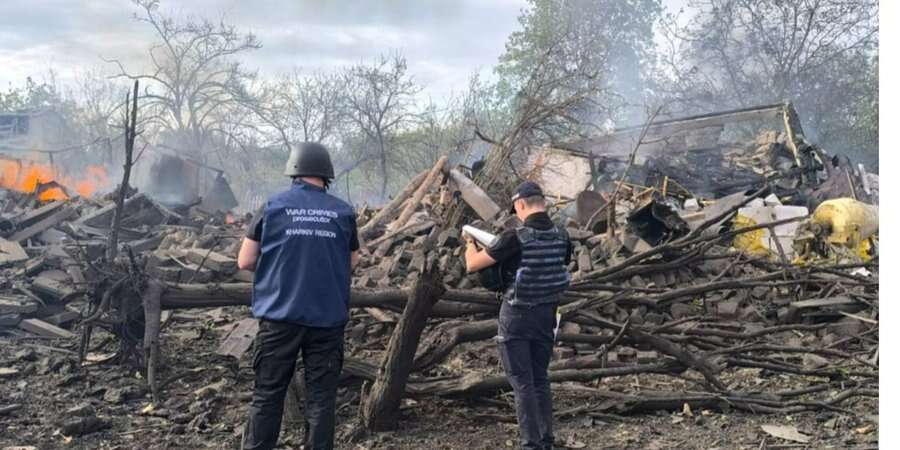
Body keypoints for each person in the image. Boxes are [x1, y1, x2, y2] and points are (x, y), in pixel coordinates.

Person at [237, 142, 361, 450]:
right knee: (321, 399)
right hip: (327, 319)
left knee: (267, 394)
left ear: (294, 170)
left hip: (279, 317)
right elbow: (353, 262)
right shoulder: (343, 212)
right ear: (326, 175)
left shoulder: (273, 206)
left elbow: (245, 261)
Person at [464, 181, 572, 450]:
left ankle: (531, 444)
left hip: (517, 316)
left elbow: (472, 265)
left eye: (516, 209)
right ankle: (546, 439)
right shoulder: (563, 235)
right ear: (542, 202)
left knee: (522, 383)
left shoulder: (515, 237)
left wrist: (469, 242)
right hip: (547, 315)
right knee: (540, 378)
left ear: (521, 205)